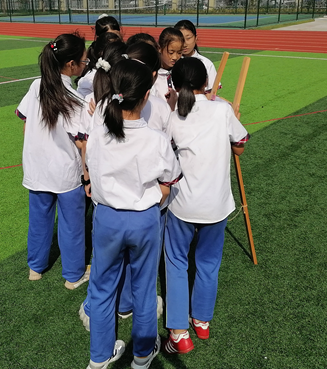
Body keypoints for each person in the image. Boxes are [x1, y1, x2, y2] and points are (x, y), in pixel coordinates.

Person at [85, 59, 182, 369]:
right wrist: (155, 197)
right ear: (145, 96)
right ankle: (142, 355)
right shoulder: (156, 140)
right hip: (144, 219)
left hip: (107, 218)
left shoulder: (99, 133)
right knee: (143, 287)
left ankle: (99, 358)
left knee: (102, 288)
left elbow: (91, 168)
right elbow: (170, 179)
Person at [162, 57, 249, 354]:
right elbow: (240, 145)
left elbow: (165, 152)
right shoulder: (222, 110)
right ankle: (201, 321)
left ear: (174, 85)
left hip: (182, 204)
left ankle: (179, 332)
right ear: (206, 83)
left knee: (176, 263)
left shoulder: (174, 117)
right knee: (208, 263)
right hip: (216, 204)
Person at [15, 33, 90, 290]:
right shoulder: (75, 98)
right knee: (71, 225)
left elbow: (25, 122)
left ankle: (35, 268)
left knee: (39, 220)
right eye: (83, 61)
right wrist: (88, 173)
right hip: (65, 173)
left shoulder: (36, 85)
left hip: (37, 168)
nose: (85, 65)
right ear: (71, 64)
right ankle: (73, 275)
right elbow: (81, 142)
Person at [174, 19, 218, 90]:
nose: (184, 44)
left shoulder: (206, 64)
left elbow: (212, 92)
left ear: (196, 38)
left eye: (188, 38)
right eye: (181, 39)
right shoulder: (172, 62)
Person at [78, 30, 123, 98]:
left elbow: (123, 96)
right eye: (118, 51)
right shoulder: (88, 81)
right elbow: (83, 103)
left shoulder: (122, 73)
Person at [153, 27, 184, 111]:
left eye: (179, 52)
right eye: (171, 52)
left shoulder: (183, 71)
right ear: (159, 48)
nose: (175, 57)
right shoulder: (152, 74)